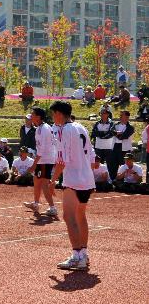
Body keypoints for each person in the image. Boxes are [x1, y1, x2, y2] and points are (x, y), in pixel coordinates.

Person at [48, 101, 96, 271]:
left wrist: (52, 180)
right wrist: (89, 177)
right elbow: (91, 154)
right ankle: (84, 254)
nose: (53, 117)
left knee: (69, 217)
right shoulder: (81, 127)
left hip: (73, 179)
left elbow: (61, 160)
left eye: (54, 113)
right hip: (87, 179)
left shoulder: (64, 130)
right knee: (80, 216)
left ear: (60, 114)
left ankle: (77, 256)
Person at [24, 107, 58, 217]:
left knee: (43, 184)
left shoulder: (44, 129)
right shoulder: (39, 128)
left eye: (33, 114)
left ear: (38, 117)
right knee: (36, 181)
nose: (31, 116)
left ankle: (52, 208)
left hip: (46, 160)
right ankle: (36, 203)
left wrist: (34, 165)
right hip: (43, 159)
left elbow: (42, 150)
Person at [108, 110, 134, 181]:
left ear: (127, 117)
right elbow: (111, 131)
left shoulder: (130, 127)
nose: (120, 116)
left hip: (125, 149)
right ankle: (113, 180)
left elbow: (123, 137)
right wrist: (118, 133)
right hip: (115, 146)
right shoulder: (115, 125)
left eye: (122, 115)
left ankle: (123, 181)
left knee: (124, 165)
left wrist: (116, 134)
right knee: (113, 165)